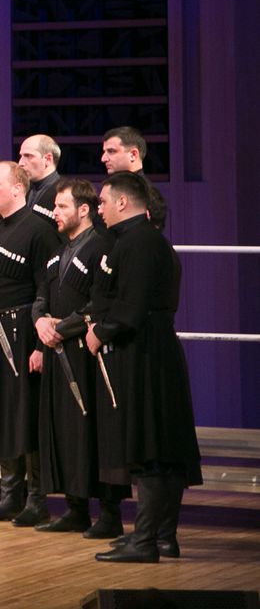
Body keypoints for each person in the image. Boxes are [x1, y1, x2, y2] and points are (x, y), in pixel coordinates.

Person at [88, 171, 201, 563]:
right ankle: (161, 537)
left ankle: (148, 540)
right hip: (153, 350)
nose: (98, 209)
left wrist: (100, 332)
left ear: (122, 202)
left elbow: (130, 307)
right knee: (159, 448)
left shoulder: (138, 242)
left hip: (144, 354)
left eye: (103, 202)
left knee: (152, 448)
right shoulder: (143, 240)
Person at [0, 161, 61, 525]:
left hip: (23, 335)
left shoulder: (40, 231)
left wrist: (40, 345)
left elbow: (46, 290)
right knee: (1, 412)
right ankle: (9, 494)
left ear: (18, 188)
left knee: (25, 414)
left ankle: (36, 499)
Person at [31, 178, 124, 539]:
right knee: (66, 429)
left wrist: (65, 327)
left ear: (83, 210)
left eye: (62, 207)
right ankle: (75, 507)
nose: (55, 213)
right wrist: (40, 322)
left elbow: (100, 301)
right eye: (54, 207)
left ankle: (111, 512)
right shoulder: (56, 249)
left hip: (86, 351)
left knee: (95, 430)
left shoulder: (102, 245)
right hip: (56, 351)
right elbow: (40, 293)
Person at [99, 126, 167, 230]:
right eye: (104, 152)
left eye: (111, 151)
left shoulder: (148, 194)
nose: (103, 159)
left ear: (133, 155)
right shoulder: (112, 188)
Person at [18, 135, 63, 221]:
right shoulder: (23, 191)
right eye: (21, 156)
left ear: (48, 159)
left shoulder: (66, 192)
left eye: (28, 156)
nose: (21, 163)